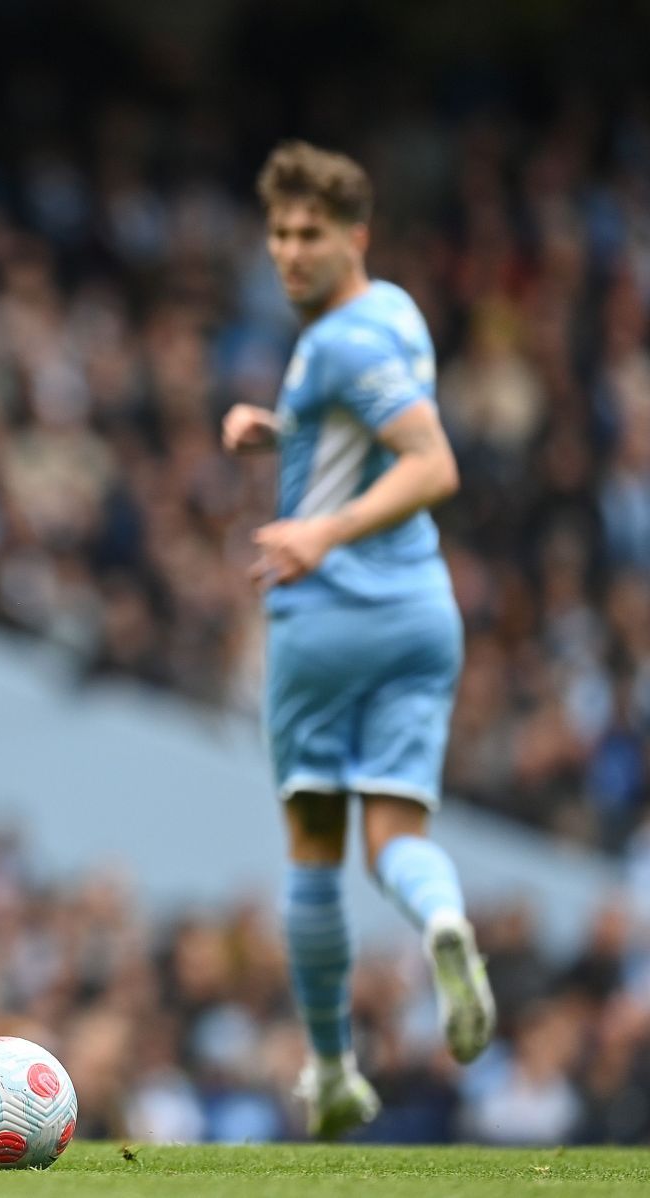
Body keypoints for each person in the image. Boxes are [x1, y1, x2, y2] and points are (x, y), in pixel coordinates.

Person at [221, 141, 496, 1139]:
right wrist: (279, 429)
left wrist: (318, 532)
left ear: (355, 235)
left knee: (314, 847)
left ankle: (333, 1068)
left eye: (309, 235)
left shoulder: (339, 339)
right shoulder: (395, 317)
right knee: (398, 837)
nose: (289, 252)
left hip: (329, 614)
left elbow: (430, 462)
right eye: (280, 234)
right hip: (423, 613)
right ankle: (442, 922)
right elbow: (358, 427)